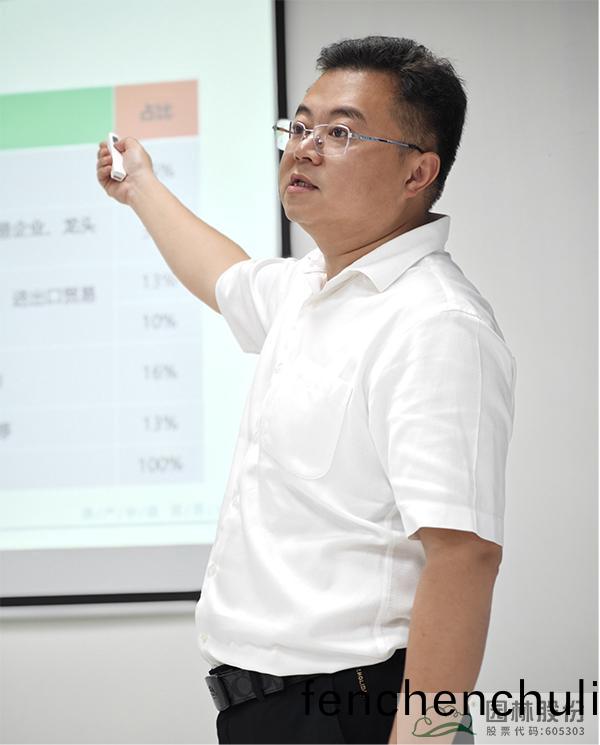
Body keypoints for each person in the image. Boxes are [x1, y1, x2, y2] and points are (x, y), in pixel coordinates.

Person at [96, 35, 516, 745]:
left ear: (419, 172)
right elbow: (223, 276)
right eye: (299, 127)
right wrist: (140, 185)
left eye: (341, 132)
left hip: (354, 708)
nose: (305, 148)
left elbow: (463, 554)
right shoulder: (309, 287)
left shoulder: (436, 322)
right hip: (265, 712)